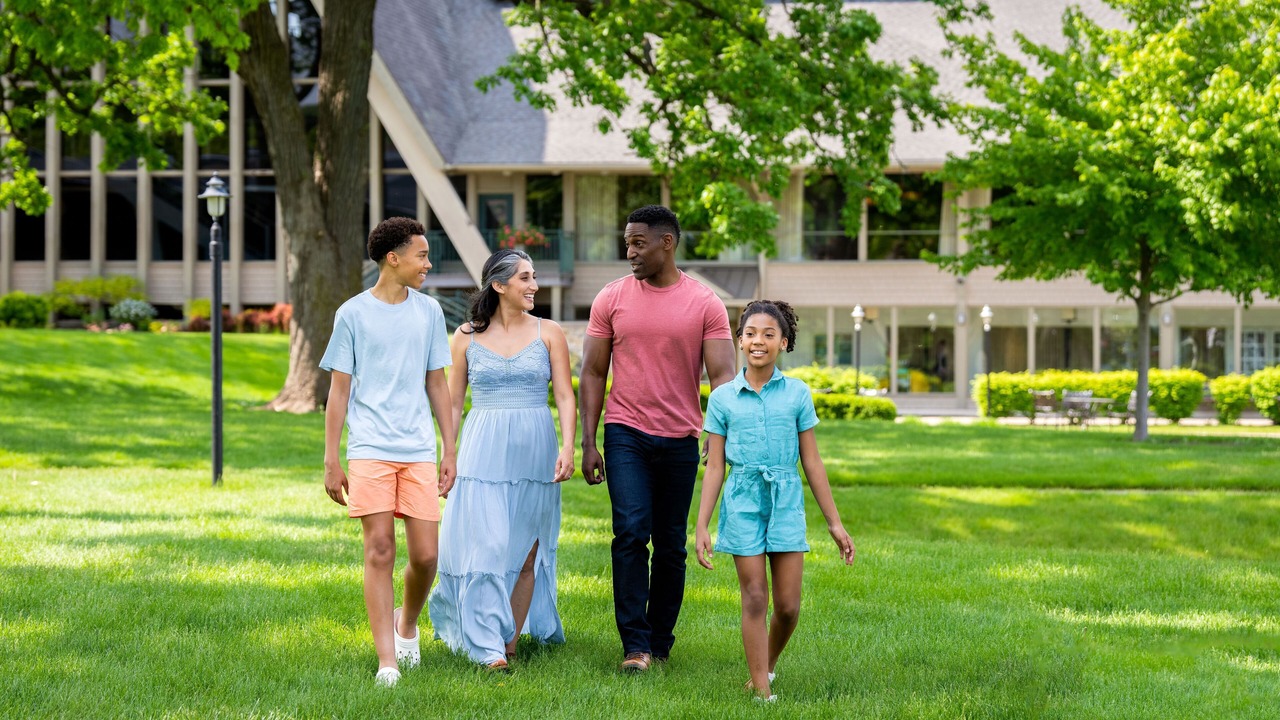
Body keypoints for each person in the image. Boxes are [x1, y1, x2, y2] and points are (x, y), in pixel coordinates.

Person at [580, 204, 737, 673]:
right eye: (626, 242)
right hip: (626, 431)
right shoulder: (611, 298)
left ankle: (660, 642)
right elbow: (591, 370)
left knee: (670, 545)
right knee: (630, 532)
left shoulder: (704, 302)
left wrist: (718, 431)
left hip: (680, 438)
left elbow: (724, 373)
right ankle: (635, 646)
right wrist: (588, 441)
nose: (629, 251)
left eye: (638, 243)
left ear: (667, 242)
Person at [694, 299, 856, 702]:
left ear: (784, 342)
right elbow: (714, 467)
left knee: (787, 606)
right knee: (754, 597)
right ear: (739, 340)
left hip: (785, 500)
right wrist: (701, 525)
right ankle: (762, 692)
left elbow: (812, 462)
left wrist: (834, 522)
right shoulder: (723, 399)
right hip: (743, 500)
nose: (758, 342)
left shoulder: (797, 394)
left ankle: (766, 666)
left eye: (768, 334)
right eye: (750, 334)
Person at [320, 216, 456, 688]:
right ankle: (387, 662)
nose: (428, 263)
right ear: (393, 258)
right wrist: (332, 458)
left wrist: (449, 449)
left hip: (418, 447)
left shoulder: (430, 312)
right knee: (379, 549)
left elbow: (437, 383)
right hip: (370, 448)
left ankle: (407, 624)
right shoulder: (352, 314)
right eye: (421, 254)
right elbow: (339, 392)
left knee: (426, 556)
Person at [428, 249, 575, 671]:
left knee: (528, 550)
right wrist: (449, 453)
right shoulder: (466, 336)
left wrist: (568, 447)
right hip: (482, 447)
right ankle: (486, 643)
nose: (534, 285)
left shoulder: (550, 332)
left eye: (534, 277)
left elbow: (564, 394)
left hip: (536, 447)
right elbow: (453, 403)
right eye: (526, 278)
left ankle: (509, 642)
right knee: (487, 546)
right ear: (499, 285)